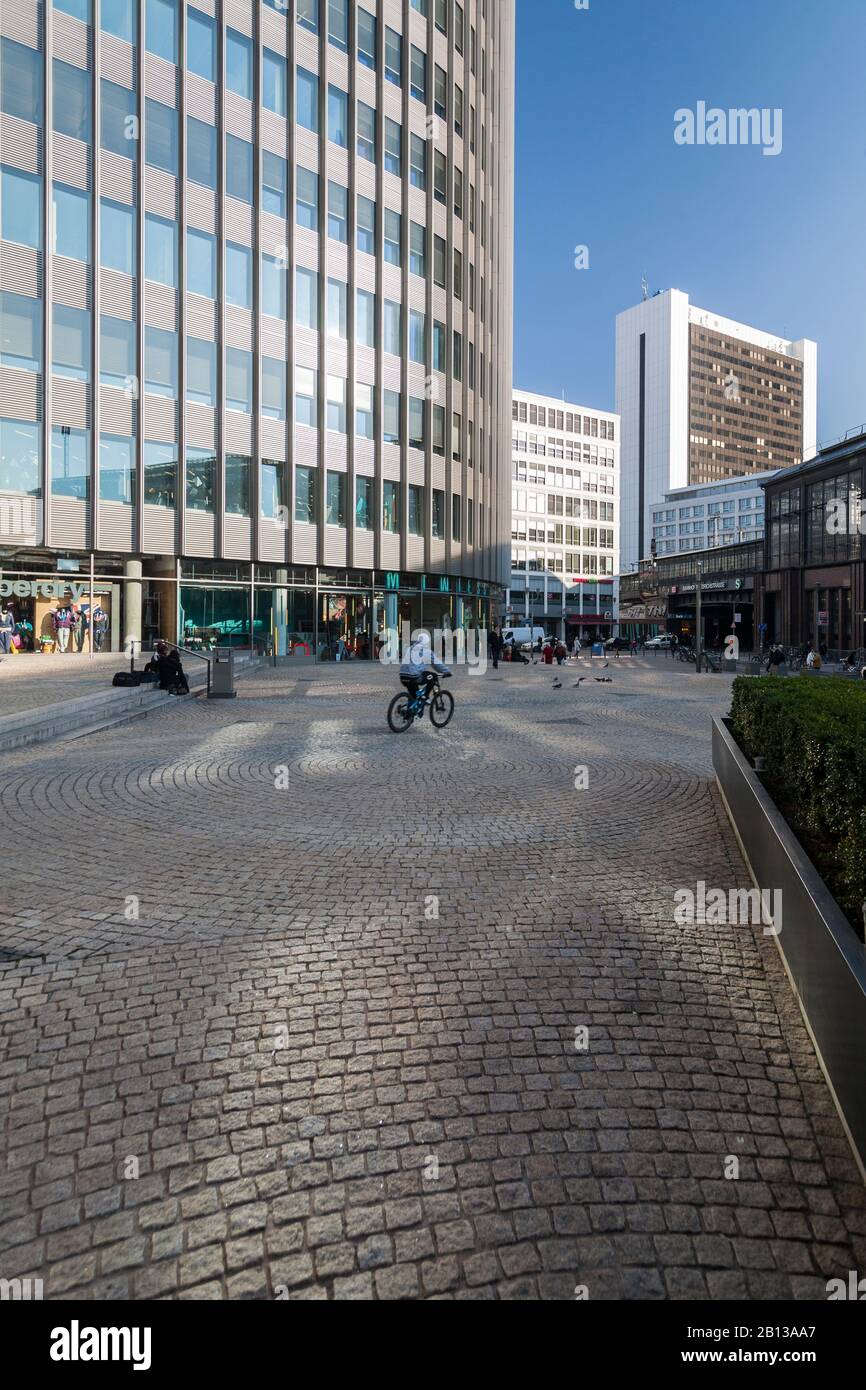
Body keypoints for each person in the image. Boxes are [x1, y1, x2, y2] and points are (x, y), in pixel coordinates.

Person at [399, 631, 451, 705]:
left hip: (403, 675)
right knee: (434, 676)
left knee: (414, 696)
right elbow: (437, 664)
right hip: (414, 676)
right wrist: (447, 671)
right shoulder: (427, 651)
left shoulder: (409, 648)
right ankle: (425, 696)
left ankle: (409, 713)